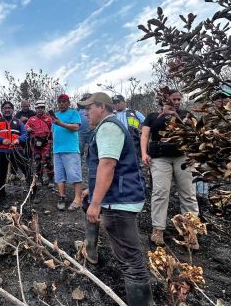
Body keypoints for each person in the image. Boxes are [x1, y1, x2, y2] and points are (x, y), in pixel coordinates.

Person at [78, 92, 153, 306]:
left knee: (131, 263)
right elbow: (104, 168)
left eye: (89, 107)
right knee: (129, 259)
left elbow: (108, 165)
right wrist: (91, 192)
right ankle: (91, 253)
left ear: (102, 107)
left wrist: (95, 203)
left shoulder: (109, 127)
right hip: (119, 196)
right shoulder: (105, 128)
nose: (85, 112)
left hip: (119, 201)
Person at [140, 90, 199, 248]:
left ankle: (191, 233)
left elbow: (196, 133)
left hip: (183, 157)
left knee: (188, 194)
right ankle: (158, 230)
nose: (178, 101)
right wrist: (144, 153)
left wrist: (196, 153)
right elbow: (145, 135)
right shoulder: (152, 116)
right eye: (174, 99)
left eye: (180, 99)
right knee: (160, 193)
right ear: (165, 100)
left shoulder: (186, 114)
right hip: (160, 158)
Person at [0, 101, 31, 209]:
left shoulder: (18, 122)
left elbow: (25, 134)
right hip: (2, 151)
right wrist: (2, 140)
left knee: (27, 170)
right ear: (2, 110)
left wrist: (18, 140)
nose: (7, 110)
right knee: (2, 175)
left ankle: (33, 192)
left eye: (9, 108)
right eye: (5, 108)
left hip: (17, 150)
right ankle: (2, 197)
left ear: (13, 109)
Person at [51, 94, 83, 211]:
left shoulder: (73, 113)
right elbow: (54, 132)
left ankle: (77, 199)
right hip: (57, 150)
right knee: (59, 175)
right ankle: (62, 197)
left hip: (70, 149)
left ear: (69, 103)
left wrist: (61, 123)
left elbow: (75, 127)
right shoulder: (55, 116)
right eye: (59, 102)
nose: (61, 104)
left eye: (64, 101)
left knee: (74, 174)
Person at [26, 100, 54, 189]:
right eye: (38, 108)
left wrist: (51, 140)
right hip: (35, 143)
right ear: (36, 109)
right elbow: (25, 126)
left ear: (44, 109)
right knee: (37, 160)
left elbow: (53, 130)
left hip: (46, 142)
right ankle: (39, 179)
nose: (40, 110)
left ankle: (50, 179)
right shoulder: (31, 119)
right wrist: (28, 128)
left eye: (42, 108)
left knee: (47, 159)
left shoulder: (49, 119)